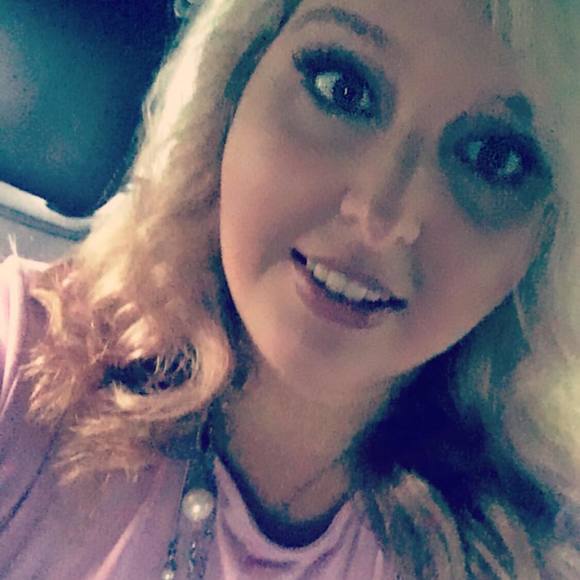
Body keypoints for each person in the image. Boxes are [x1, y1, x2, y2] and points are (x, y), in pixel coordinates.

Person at [1, 0, 579, 577]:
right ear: (234, 83)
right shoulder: (23, 362)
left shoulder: (534, 552)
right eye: (342, 88)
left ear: (550, 236)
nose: (381, 214)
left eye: (494, 158)